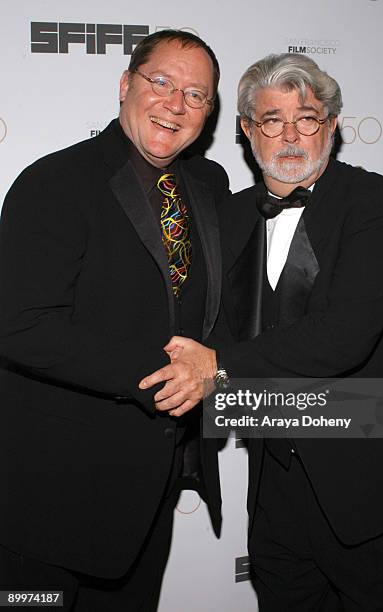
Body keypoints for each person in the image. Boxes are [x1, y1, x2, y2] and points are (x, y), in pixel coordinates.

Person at [142, 53, 383, 610]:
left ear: (331, 126)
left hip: (374, 475)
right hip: (276, 480)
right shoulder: (229, 216)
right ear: (245, 130)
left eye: (307, 118)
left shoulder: (377, 205)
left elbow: (343, 336)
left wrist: (217, 365)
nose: (290, 135)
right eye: (271, 120)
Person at [0, 30, 228, 611]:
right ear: (126, 85)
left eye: (197, 95)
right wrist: (158, 375)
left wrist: (217, 367)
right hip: (49, 495)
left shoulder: (209, 185)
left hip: (151, 490)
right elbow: (18, 323)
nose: (176, 104)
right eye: (162, 83)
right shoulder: (54, 182)